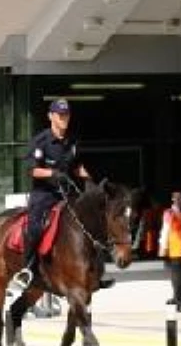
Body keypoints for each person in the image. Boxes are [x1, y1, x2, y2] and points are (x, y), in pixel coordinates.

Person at [7, 98, 110, 297]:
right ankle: (27, 270)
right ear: (51, 116)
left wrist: (90, 181)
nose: (64, 118)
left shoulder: (73, 141)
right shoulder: (40, 141)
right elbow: (31, 170)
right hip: (44, 195)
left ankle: (96, 270)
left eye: (66, 115)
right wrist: (52, 174)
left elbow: (77, 166)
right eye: (60, 115)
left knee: (91, 222)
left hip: (67, 194)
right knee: (35, 227)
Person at [159, 190, 181, 313]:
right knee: (178, 276)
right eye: (176, 198)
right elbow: (165, 230)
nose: (179, 200)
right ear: (173, 200)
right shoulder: (169, 213)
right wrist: (163, 246)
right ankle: (180, 302)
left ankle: (178, 298)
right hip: (175, 248)